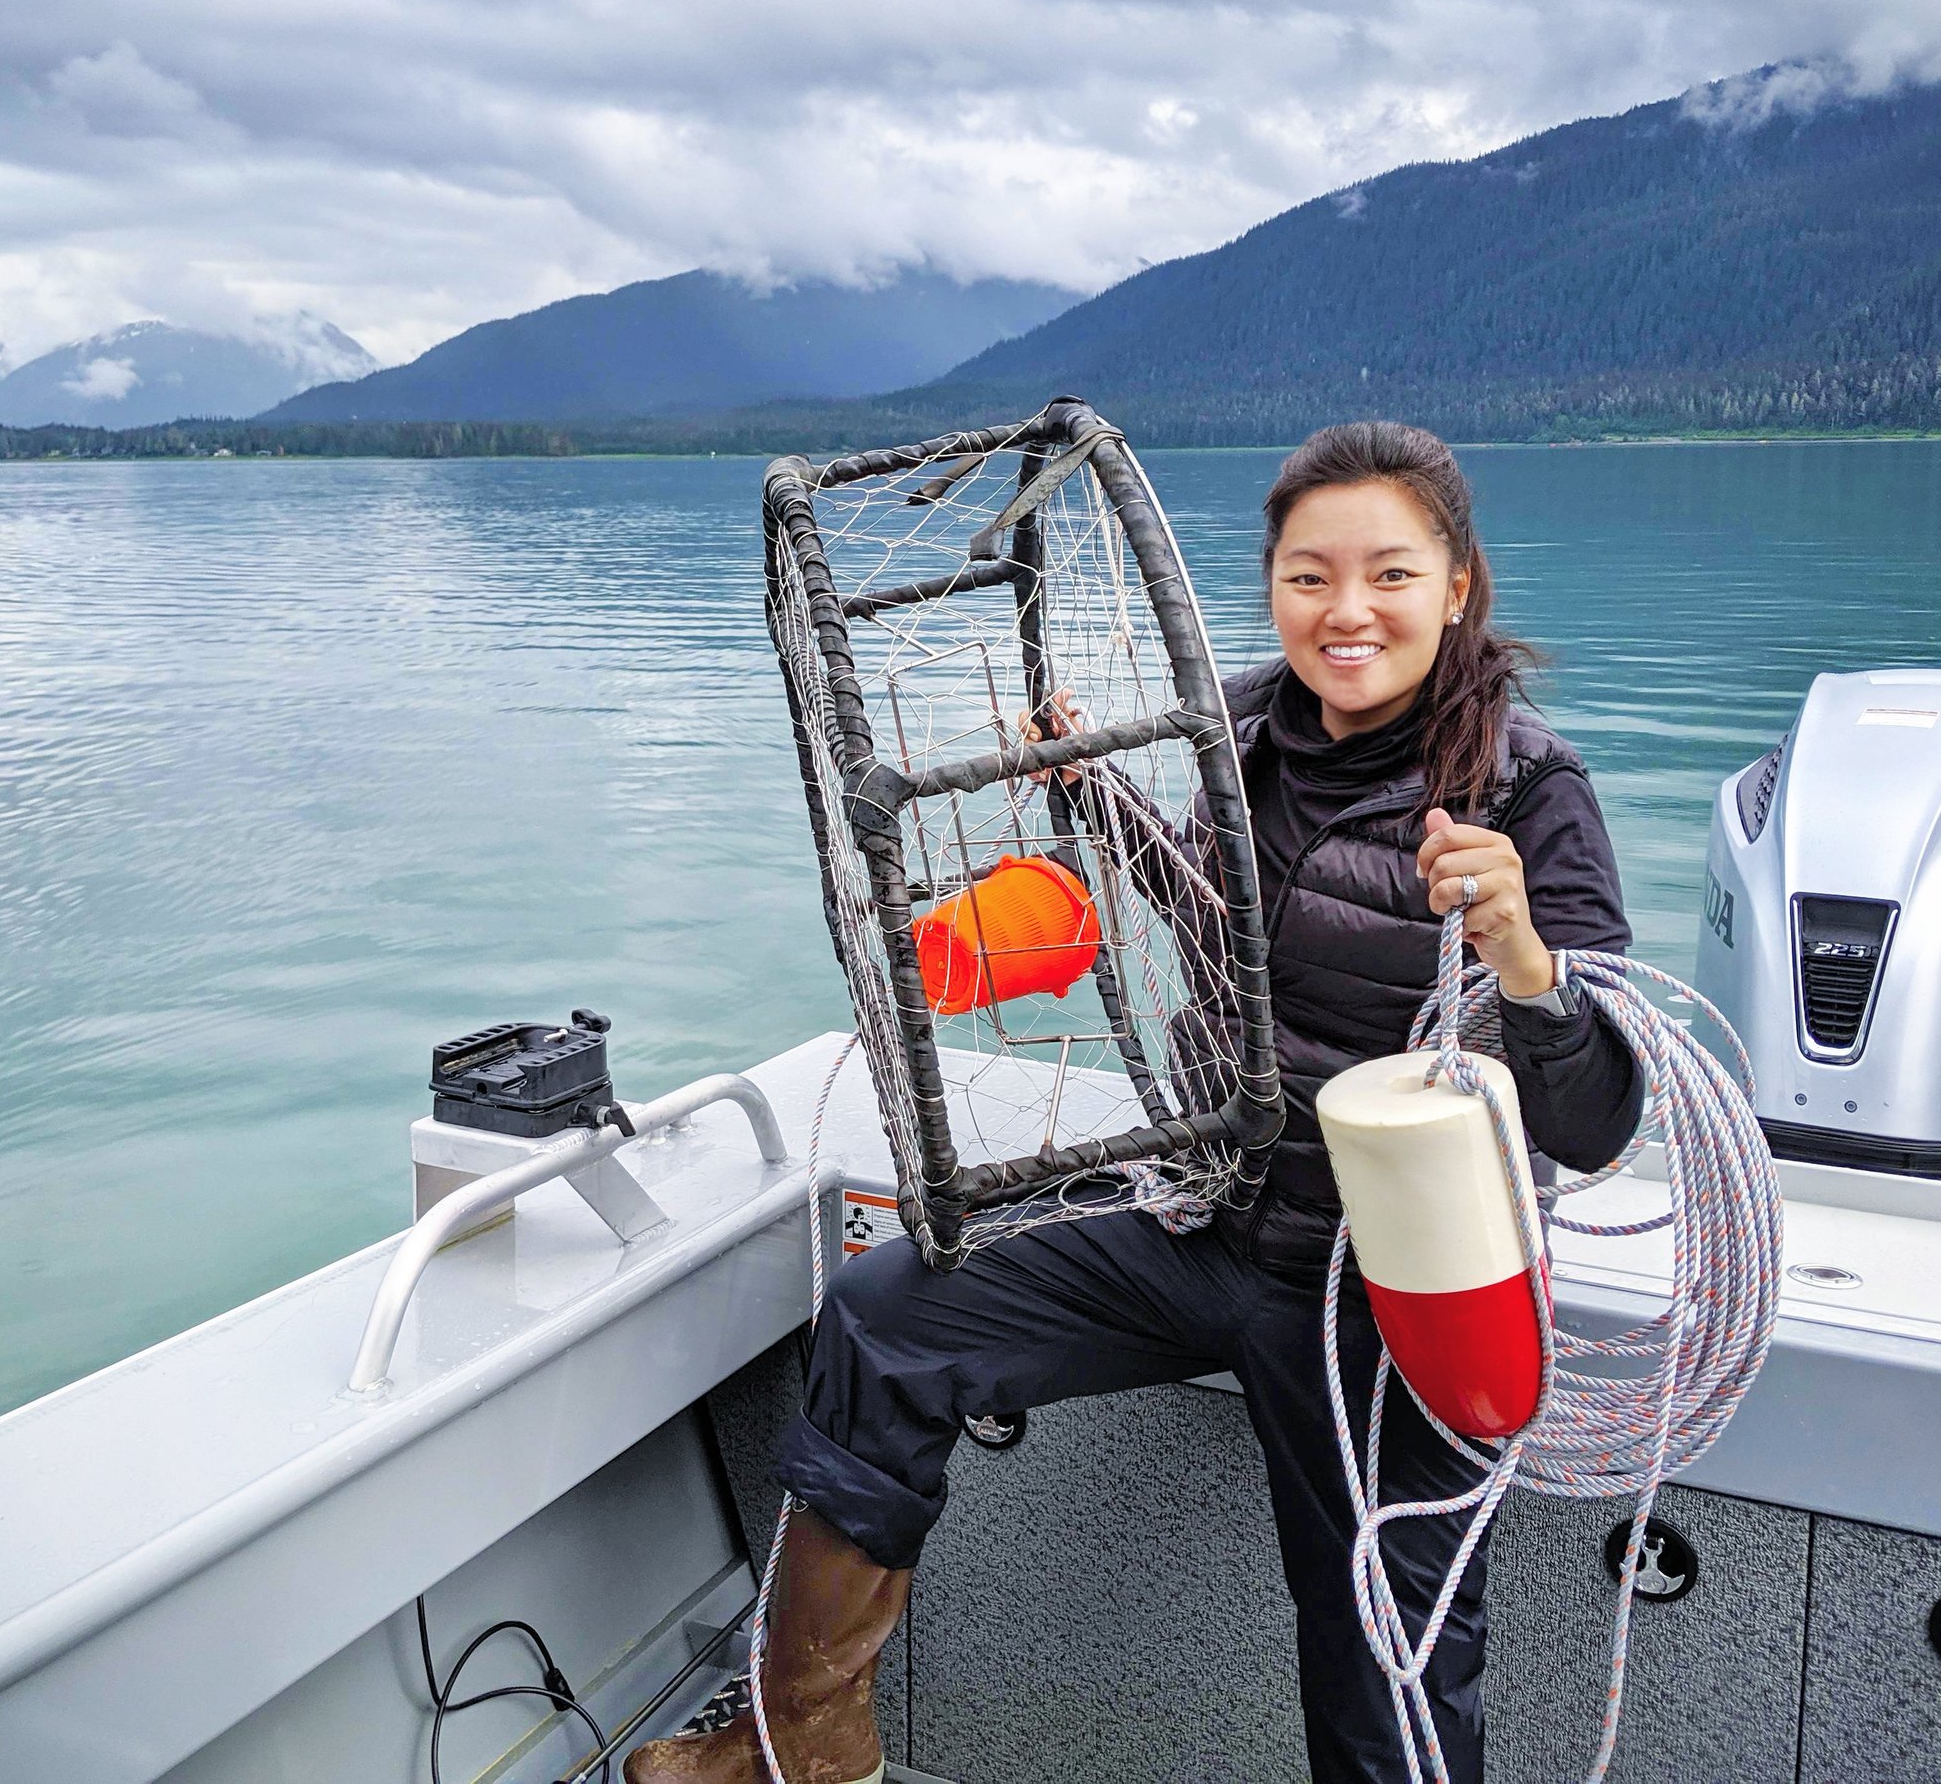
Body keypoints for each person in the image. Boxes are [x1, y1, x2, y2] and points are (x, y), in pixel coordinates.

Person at [628, 421, 1643, 1784]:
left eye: (1390, 575)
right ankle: (799, 1745)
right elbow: (1229, 926)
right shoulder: (1239, 735)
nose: (1347, 613)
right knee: (889, 1320)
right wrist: (1097, 808)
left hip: (1383, 1290)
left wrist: (1524, 955)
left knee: (1383, 1658)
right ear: (1269, 584)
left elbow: (1597, 1122)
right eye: (1309, 576)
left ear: (1459, 587)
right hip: (1212, 1214)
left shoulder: (1528, 791)